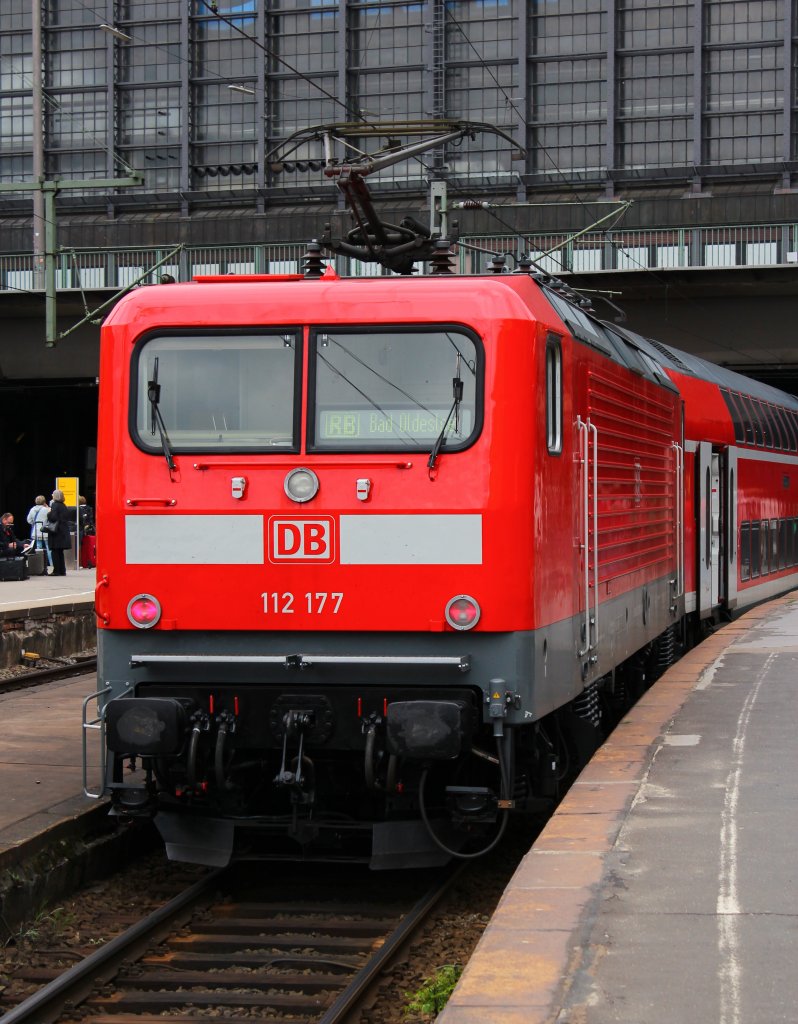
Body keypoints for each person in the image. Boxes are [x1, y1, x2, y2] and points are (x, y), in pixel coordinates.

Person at [46, 489, 71, 576]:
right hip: (63, 530)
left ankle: (56, 570)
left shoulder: (55, 505)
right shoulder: (63, 505)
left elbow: (53, 517)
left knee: (55, 551)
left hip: (56, 531)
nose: (52, 495)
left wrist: (49, 513)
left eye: (53, 494)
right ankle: (62, 570)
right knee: (60, 552)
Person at [27, 495, 53, 574]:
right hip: (45, 530)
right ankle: (51, 564)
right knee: (48, 547)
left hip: (36, 531)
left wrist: (34, 523)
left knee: (38, 547)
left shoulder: (32, 509)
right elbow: (51, 518)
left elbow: (29, 520)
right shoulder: (47, 509)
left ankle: (40, 564)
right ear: (44, 501)